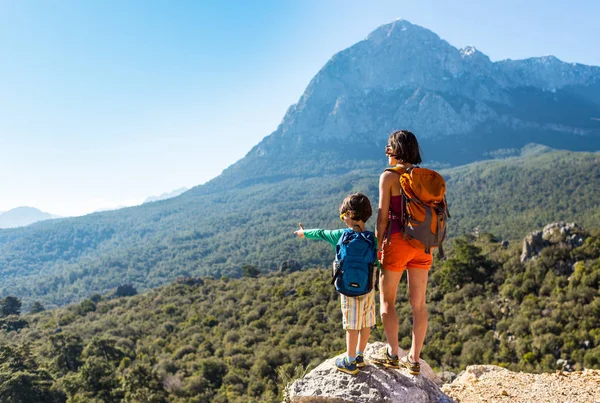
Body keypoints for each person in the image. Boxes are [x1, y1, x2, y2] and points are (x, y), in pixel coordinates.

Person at [294, 193, 378, 375]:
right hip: (368, 289)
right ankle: (360, 356)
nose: (343, 220)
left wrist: (303, 233)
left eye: (343, 216)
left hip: (348, 291)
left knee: (351, 326)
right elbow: (378, 264)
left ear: (349, 214)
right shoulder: (373, 239)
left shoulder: (341, 235)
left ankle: (349, 361)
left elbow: (320, 233)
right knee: (365, 323)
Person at [371, 129, 431, 375]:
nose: (386, 152)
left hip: (397, 242)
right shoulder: (425, 176)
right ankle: (415, 360)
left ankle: (393, 354)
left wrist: (377, 247)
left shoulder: (389, 177)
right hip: (422, 245)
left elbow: (383, 217)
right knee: (419, 305)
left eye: (388, 147)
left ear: (394, 150)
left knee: (387, 301)